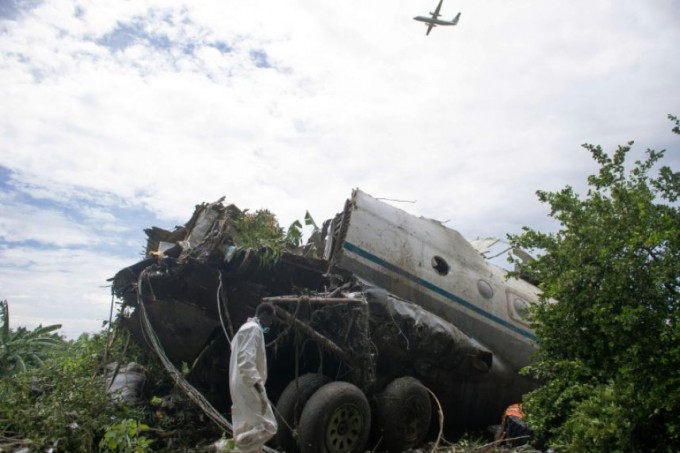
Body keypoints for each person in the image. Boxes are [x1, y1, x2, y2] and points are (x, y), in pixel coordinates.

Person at [228, 304, 278, 452]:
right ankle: (227, 448)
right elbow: (246, 361)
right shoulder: (253, 329)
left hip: (238, 383)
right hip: (248, 384)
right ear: (264, 315)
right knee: (269, 427)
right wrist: (260, 390)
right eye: (270, 320)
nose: (270, 324)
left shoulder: (243, 329)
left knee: (247, 428)